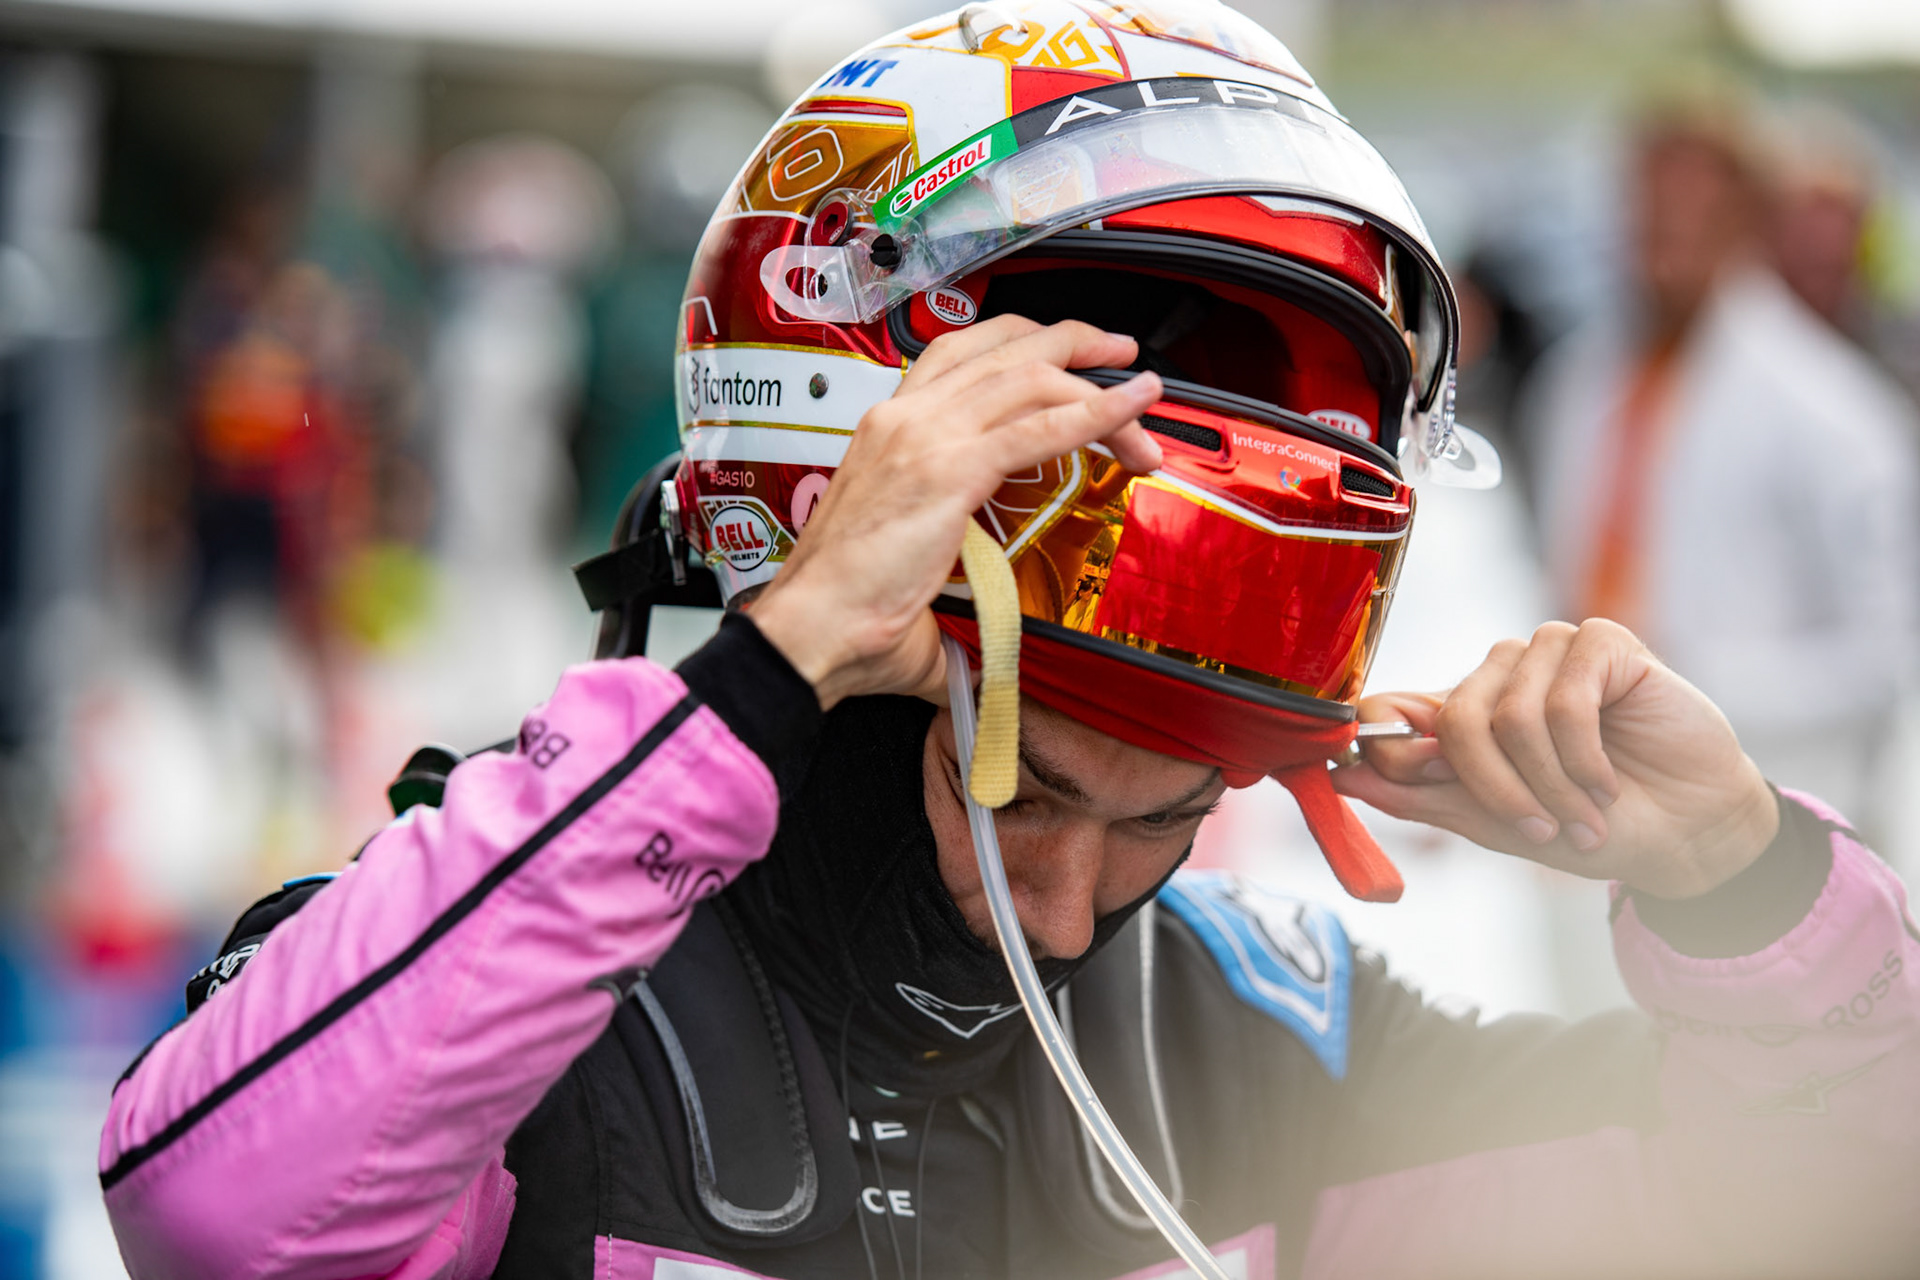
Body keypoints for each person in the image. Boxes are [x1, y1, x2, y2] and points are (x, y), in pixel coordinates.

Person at [101, 6, 1919, 1277]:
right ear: (823, 622)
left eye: (1163, 821)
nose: (1063, 911)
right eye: (1020, 787)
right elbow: (214, 1216)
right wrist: (755, 680)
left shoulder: (1257, 1042)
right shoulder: (520, 984)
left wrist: (1745, 894)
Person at [1524, 87, 1920, 830]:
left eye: (1691, 208)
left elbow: (1885, 659)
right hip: (1588, 797)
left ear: (1745, 217)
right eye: (1646, 207)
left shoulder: (1834, 411)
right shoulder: (1580, 380)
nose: (1663, 234)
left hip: (1766, 819)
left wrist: (1688, 680)